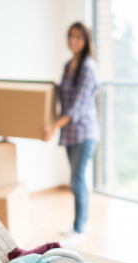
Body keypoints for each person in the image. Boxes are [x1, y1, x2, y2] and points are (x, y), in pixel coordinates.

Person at [42, 22, 101, 248]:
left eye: (79, 37)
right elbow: (61, 99)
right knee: (79, 179)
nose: (74, 40)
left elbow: (75, 107)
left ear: (85, 41)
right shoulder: (68, 65)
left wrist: (53, 126)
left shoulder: (88, 67)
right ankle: (82, 223)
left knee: (76, 180)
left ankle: (78, 229)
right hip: (70, 133)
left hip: (85, 132)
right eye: (71, 36)